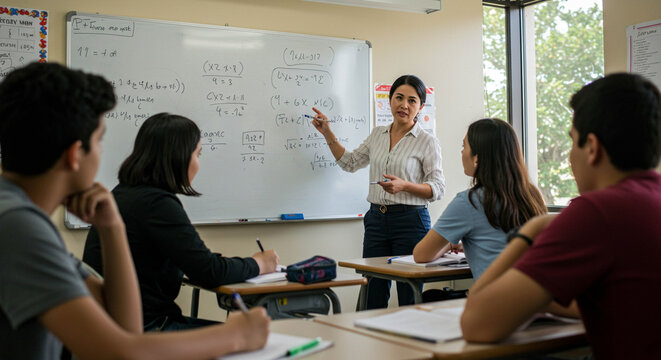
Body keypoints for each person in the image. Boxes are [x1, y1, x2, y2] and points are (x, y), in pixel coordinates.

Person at [0, 62, 269, 360]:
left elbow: (126, 327)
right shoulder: (16, 225)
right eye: (99, 140)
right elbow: (117, 352)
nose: (102, 152)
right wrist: (237, 334)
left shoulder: (22, 217)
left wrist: (111, 227)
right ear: (75, 154)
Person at [461, 73, 661, 360]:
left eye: (573, 142)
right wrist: (538, 300)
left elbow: (476, 323)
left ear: (592, 148)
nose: (570, 156)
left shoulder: (595, 213)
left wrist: (531, 230)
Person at [82, 113, 279, 331]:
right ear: (179, 156)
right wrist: (259, 264)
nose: (198, 163)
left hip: (112, 328)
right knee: (256, 339)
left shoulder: (123, 194)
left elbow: (198, 262)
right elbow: (209, 271)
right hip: (147, 330)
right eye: (197, 154)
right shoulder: (157, 203)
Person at [311, 74, 445, 309]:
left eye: (412, 101)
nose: (404, 105)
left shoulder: (427, 141)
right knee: (372, 291)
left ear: (421, 107)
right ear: (389, 100)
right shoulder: (377, 135)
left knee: (408, 295)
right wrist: (327, 133)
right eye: (399, 98)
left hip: (411, 221)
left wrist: (405, 185)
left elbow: (438, 188)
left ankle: (411, 344)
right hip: (376, 221)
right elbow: (350, 162)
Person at [412, 118, 546, 282]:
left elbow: (421, 254)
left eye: (464, 146)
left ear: (477, 158)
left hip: (495, 300)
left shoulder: (469, 201)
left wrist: (450, 243)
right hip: (538, 298)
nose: (461, 152)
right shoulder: (532, 195)